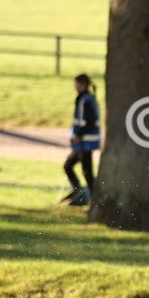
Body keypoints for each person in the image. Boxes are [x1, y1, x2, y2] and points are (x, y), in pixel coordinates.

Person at [60, 73, 100, 206]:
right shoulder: (83, 99)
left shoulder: (86, 100)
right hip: (81, 143)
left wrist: (78, 134)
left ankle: (94, 197)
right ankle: (78, 190)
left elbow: (90, 121)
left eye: (76, 84)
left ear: (83, 85)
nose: (75, 87)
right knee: (68, 166)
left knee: (87, 171)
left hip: (85, 143)